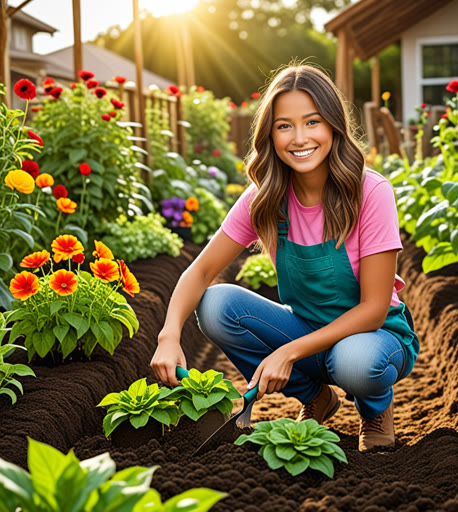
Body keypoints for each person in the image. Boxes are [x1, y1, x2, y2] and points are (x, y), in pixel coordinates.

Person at [151, 63, 419, 453]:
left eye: (312, 122)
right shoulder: (265, 198)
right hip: (307, 327)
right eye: (284, 126)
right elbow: (202, 269)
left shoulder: (370, 192)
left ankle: (375, 409)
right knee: (215, 305)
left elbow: (374, 308)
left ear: (332, 126)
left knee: (355, 363)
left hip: (374, 336)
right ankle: (316, 397)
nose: (299, 138)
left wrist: (288, 351)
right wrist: (168, 335)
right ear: (270, 135)